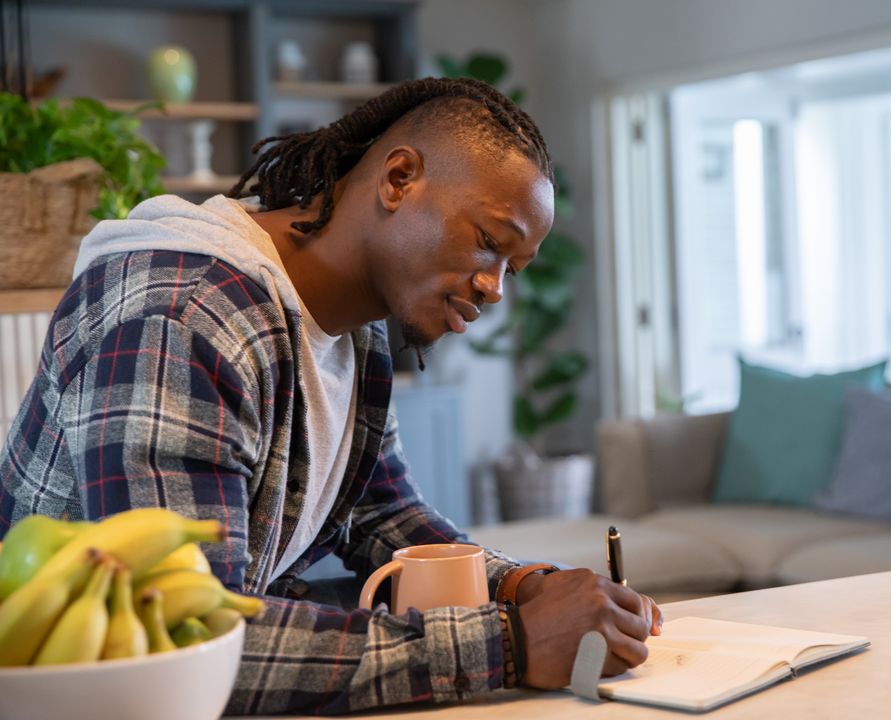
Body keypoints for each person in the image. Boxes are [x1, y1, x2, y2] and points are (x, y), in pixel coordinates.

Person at [0, 77, 661, 714]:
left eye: (511, 270)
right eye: (489, 244)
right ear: (399, 178)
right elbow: (191, 639)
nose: (494, 288)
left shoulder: (354, 334)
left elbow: (382, 514)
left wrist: (527, 586)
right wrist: (512, 643)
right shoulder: (183, 317)